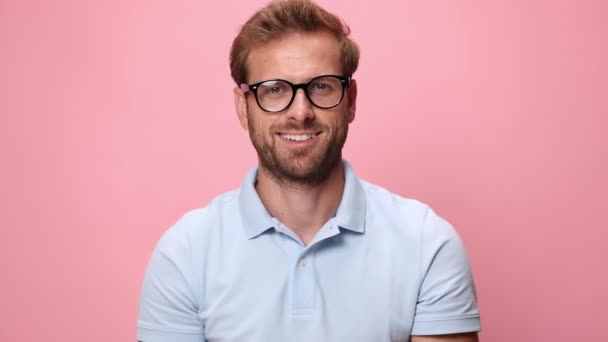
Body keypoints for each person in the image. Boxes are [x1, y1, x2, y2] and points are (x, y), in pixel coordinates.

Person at [136, 0, 481, 341]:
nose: (300, 112)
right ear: (243, 108)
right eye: (274, 90)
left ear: (350, 101)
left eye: (321, 87)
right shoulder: (184, 253)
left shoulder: (427, 243)